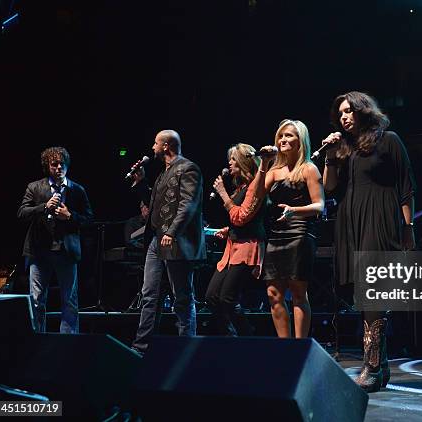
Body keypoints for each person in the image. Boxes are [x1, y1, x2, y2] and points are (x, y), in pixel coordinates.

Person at [322, 92, 416, 392]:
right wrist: (330, 155)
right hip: (350, 221)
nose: (344, 117)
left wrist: (408, 227)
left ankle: (372, 366)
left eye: (349, 111)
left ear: (363, 111)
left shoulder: (388, 140)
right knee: (360, 293)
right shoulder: (344, 148)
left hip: (380, 217)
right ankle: (380, 365)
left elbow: (405, 186)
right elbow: (329, 187)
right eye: (340, 114)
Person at [131, 129, 206, 353]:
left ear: (166, 146)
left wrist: (172, 232)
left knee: (182, 296)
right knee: (149, 295)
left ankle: (187, 347)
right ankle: (141, 346)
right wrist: (142, 184)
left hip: (176, 241)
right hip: (156, 240)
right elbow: (152, 209)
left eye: (155, 143)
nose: (152, 147)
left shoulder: (188, 168)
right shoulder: (163, 173)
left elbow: (188, 204)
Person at [255, 119, 324, 338]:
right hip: (277, 234)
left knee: (297, 292)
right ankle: (284, 347)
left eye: (289, 136)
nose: (283, 140)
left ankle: (299, 347)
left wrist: (294, 210)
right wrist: (263, 164)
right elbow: (256, 196)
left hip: (300, 233)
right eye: (281, 136)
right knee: (273, 293)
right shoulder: (274, 171)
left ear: (299, 141)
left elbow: (319, 205)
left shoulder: (309, 169)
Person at [17, 146, 94, 333]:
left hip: (66, 252)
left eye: (62, 164)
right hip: (39, 251)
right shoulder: (34, 187)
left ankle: (68, 344)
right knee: (36, 300)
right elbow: (21, 213)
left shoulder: (77, 190)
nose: (59, 167)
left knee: (69, 300)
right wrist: (44, 206)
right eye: (54, 164)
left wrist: (70, 216)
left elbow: (89, 220)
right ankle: (37, 340)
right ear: (47, 166)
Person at [206, 143, 267, 335]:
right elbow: (238, 219)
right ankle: (230, 336)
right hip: (233, 245)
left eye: (233, 159)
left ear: (242, 161)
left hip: (247, 246)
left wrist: (223, 193)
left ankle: (247, 336)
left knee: (227, 298)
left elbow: (241, 217)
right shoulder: (241, 186)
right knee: (212, 296)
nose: (229, 164)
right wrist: (227, 229)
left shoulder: (255, 185)